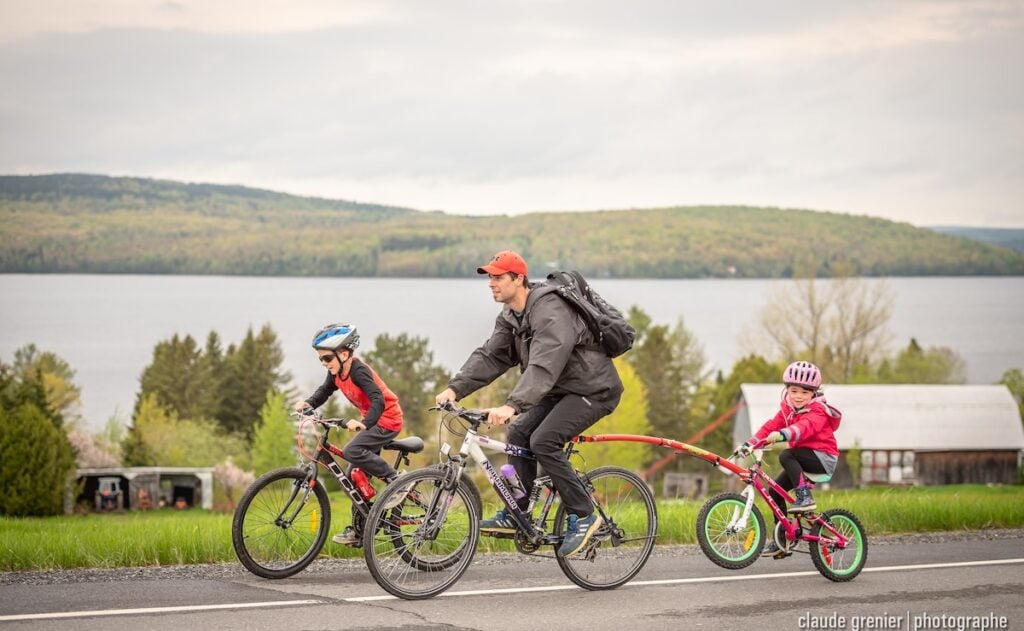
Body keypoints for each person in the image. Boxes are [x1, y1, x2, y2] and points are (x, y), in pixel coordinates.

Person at [435, 250, 623, 558]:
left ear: (518, 278)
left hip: (593, 389)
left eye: (498, 277)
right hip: (558, 391)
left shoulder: (550, 309)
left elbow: (545, 363)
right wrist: (455, 389)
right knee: (519, 433)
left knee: (544, 440)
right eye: (489, 278)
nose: (491, 284)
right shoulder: (511, 316)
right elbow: (491, 356)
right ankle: (517, 511)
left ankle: (585, 513)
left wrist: (512, 405)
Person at [294, 323, 404, 546]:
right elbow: (324, 391)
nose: (324, 363)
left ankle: (396, 480)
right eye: (320, 359)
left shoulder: (358, 370)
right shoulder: (336, 373)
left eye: (327, 358)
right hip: (372, 421)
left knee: (352, 450)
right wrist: (308, 404)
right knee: (352, 473)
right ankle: (361, 530)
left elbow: (378, 400)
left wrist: (364, 424)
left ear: (344, 354)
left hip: (387, 419)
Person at [741, 360, 841, 559]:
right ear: (786, 389)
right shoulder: (787, 410)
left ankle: (805, 498)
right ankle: (783, 538)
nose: (798, 397)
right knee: (775, 491)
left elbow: (805, 428)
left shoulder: (818, 411)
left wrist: (783, 435)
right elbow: (770, 426)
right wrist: (750, 443)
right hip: (802, 458)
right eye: (794, 391)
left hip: (823, 458)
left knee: (786, 454)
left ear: (813, 393)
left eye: (805, 392)